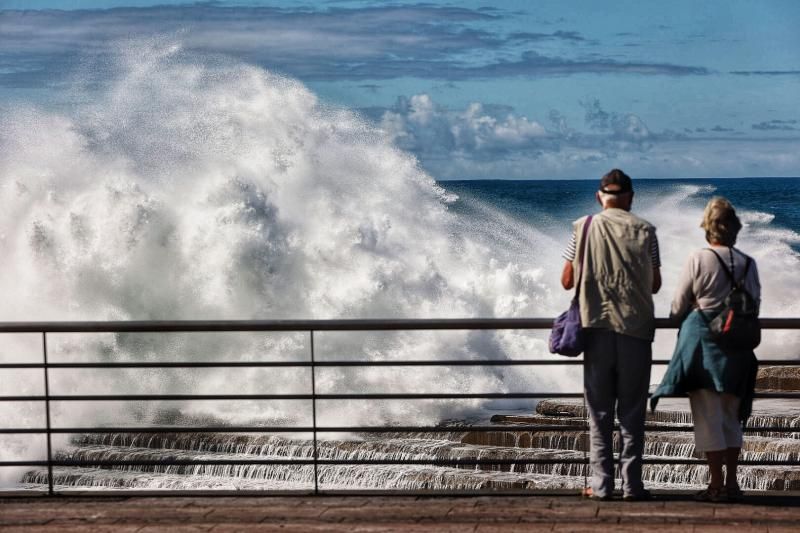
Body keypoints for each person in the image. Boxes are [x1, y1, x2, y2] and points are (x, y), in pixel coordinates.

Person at [561, 168, 661, 501]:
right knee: (632, 413)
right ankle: (633, 486)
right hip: (635, 331)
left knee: (599, 413)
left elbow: (566, 280)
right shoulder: (646, 231)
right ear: (631, 197)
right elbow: (655, 284)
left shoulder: (583, 227)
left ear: (599, 196)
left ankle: (602, 486)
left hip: (596, 329)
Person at [651, 197, 760, 502]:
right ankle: (733, 483)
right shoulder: (748, 264)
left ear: (707, 228)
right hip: (738, 349)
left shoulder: (698, 259)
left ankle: (716, 486)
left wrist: (698, 307)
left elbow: (676, 308)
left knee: (708, 416)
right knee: (732, 416)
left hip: (704, 350)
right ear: (735, 229)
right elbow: (754, 305)